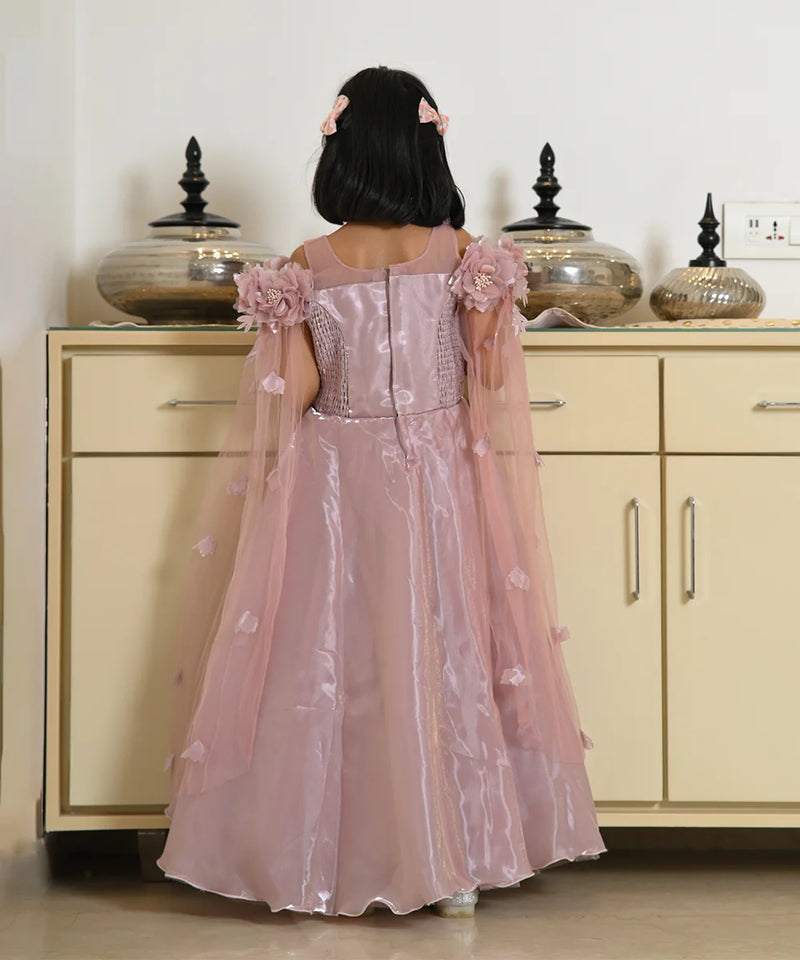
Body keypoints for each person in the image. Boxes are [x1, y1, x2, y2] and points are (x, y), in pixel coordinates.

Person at [157, 65, 604, 918]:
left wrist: (281, 359)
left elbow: (296, 391)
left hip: (336, 476)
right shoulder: (465, 254)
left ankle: (316, 860)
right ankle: (456, 862)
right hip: (441, 475)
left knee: (335, 656)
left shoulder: (310, 263)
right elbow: (488, 381)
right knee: (446, 645)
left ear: (344, 149)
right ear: (425, 150)